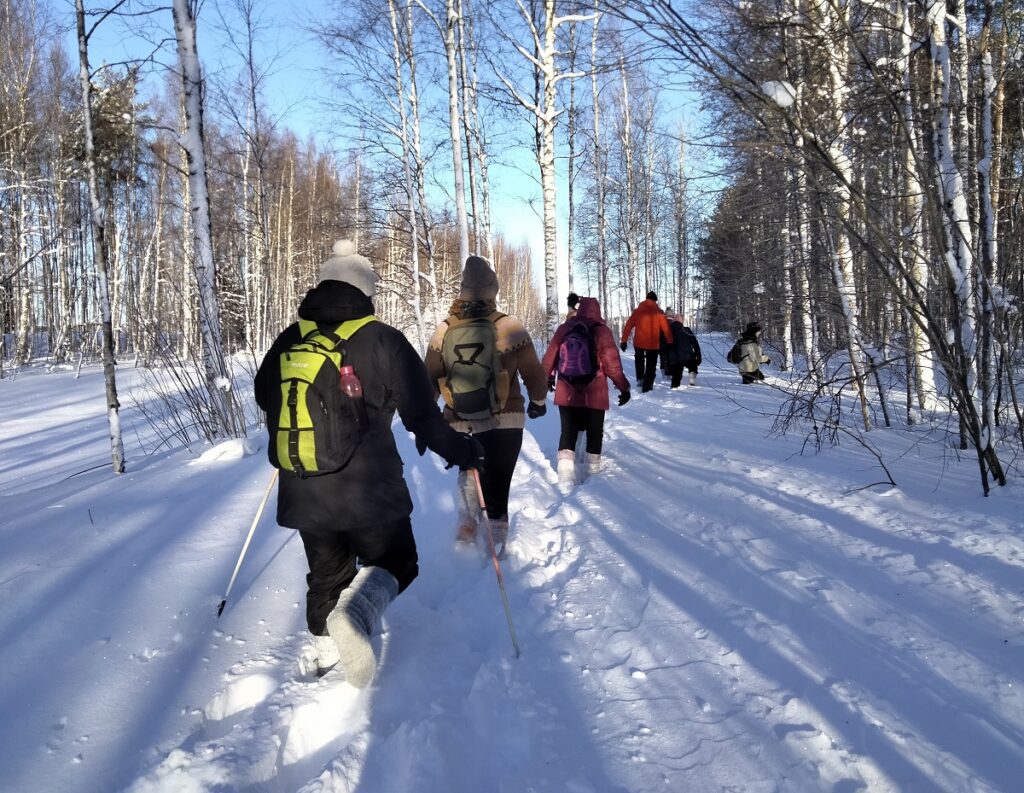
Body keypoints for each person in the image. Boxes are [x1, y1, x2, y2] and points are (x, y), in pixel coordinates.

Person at [254, 239, 484, 687]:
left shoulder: (291, 337)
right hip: (369, 485)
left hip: (302, 480)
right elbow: (422, 415)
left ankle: (323, 656)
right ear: (365, 291)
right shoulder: (384, 340)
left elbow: (265, 395)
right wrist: (463, 452)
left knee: (325, 569)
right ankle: (356, 613)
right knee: (398, 560)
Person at [424, 255, 548, 553]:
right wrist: (539, 401)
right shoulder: (509, 326)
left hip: (460, 420)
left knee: (470, 471)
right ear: (493, 290)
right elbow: (534, 371)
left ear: (463, 291)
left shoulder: (444, 329)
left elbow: (428, 376)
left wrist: (427, 416)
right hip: (506, 419)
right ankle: (497, 545)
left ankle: (466, 533)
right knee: (499, 481)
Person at [542, 296, 631, 492]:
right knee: (594, 432)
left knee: (568, 431)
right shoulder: (602, 331)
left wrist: (546, 379)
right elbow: (613, 366)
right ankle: (592, 475)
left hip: (566, 390)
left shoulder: (565, 328)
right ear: (597, 311)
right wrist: (624, 387)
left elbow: (549, 358)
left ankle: (565, 476)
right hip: (595, 393)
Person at [620, 291, 673, 393]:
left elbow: (628, 326)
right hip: (653, 344)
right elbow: (666, 329)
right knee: (651, 364)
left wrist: (624, 341)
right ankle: (647, 386)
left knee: (639, 360)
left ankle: (640, 379)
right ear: (655, 300)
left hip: (639, 342)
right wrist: (670, 341)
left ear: (646, 299)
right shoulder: (659, 312)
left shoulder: (638, 311)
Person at [662, 312, 703, 387]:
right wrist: (698, 355)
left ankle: (674, 386)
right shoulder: (687, 330)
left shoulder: (668, 331)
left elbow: (664, 346)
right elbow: (695, 344)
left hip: (674, 358)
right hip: (688, 356)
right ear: (681, 321)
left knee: (676, 374)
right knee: (693, 365)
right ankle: (692, 378)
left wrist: (666, 360)